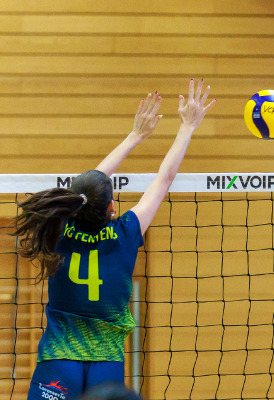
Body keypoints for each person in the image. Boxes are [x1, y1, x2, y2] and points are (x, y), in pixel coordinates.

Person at [14, 79, 215, 400]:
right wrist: (187, 127)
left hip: (59, 359)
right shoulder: (126, 233)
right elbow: (164, 179)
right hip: (106, 363)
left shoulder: (58, 228)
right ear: (111, 207)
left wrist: (134, 136)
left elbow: (87, 187)